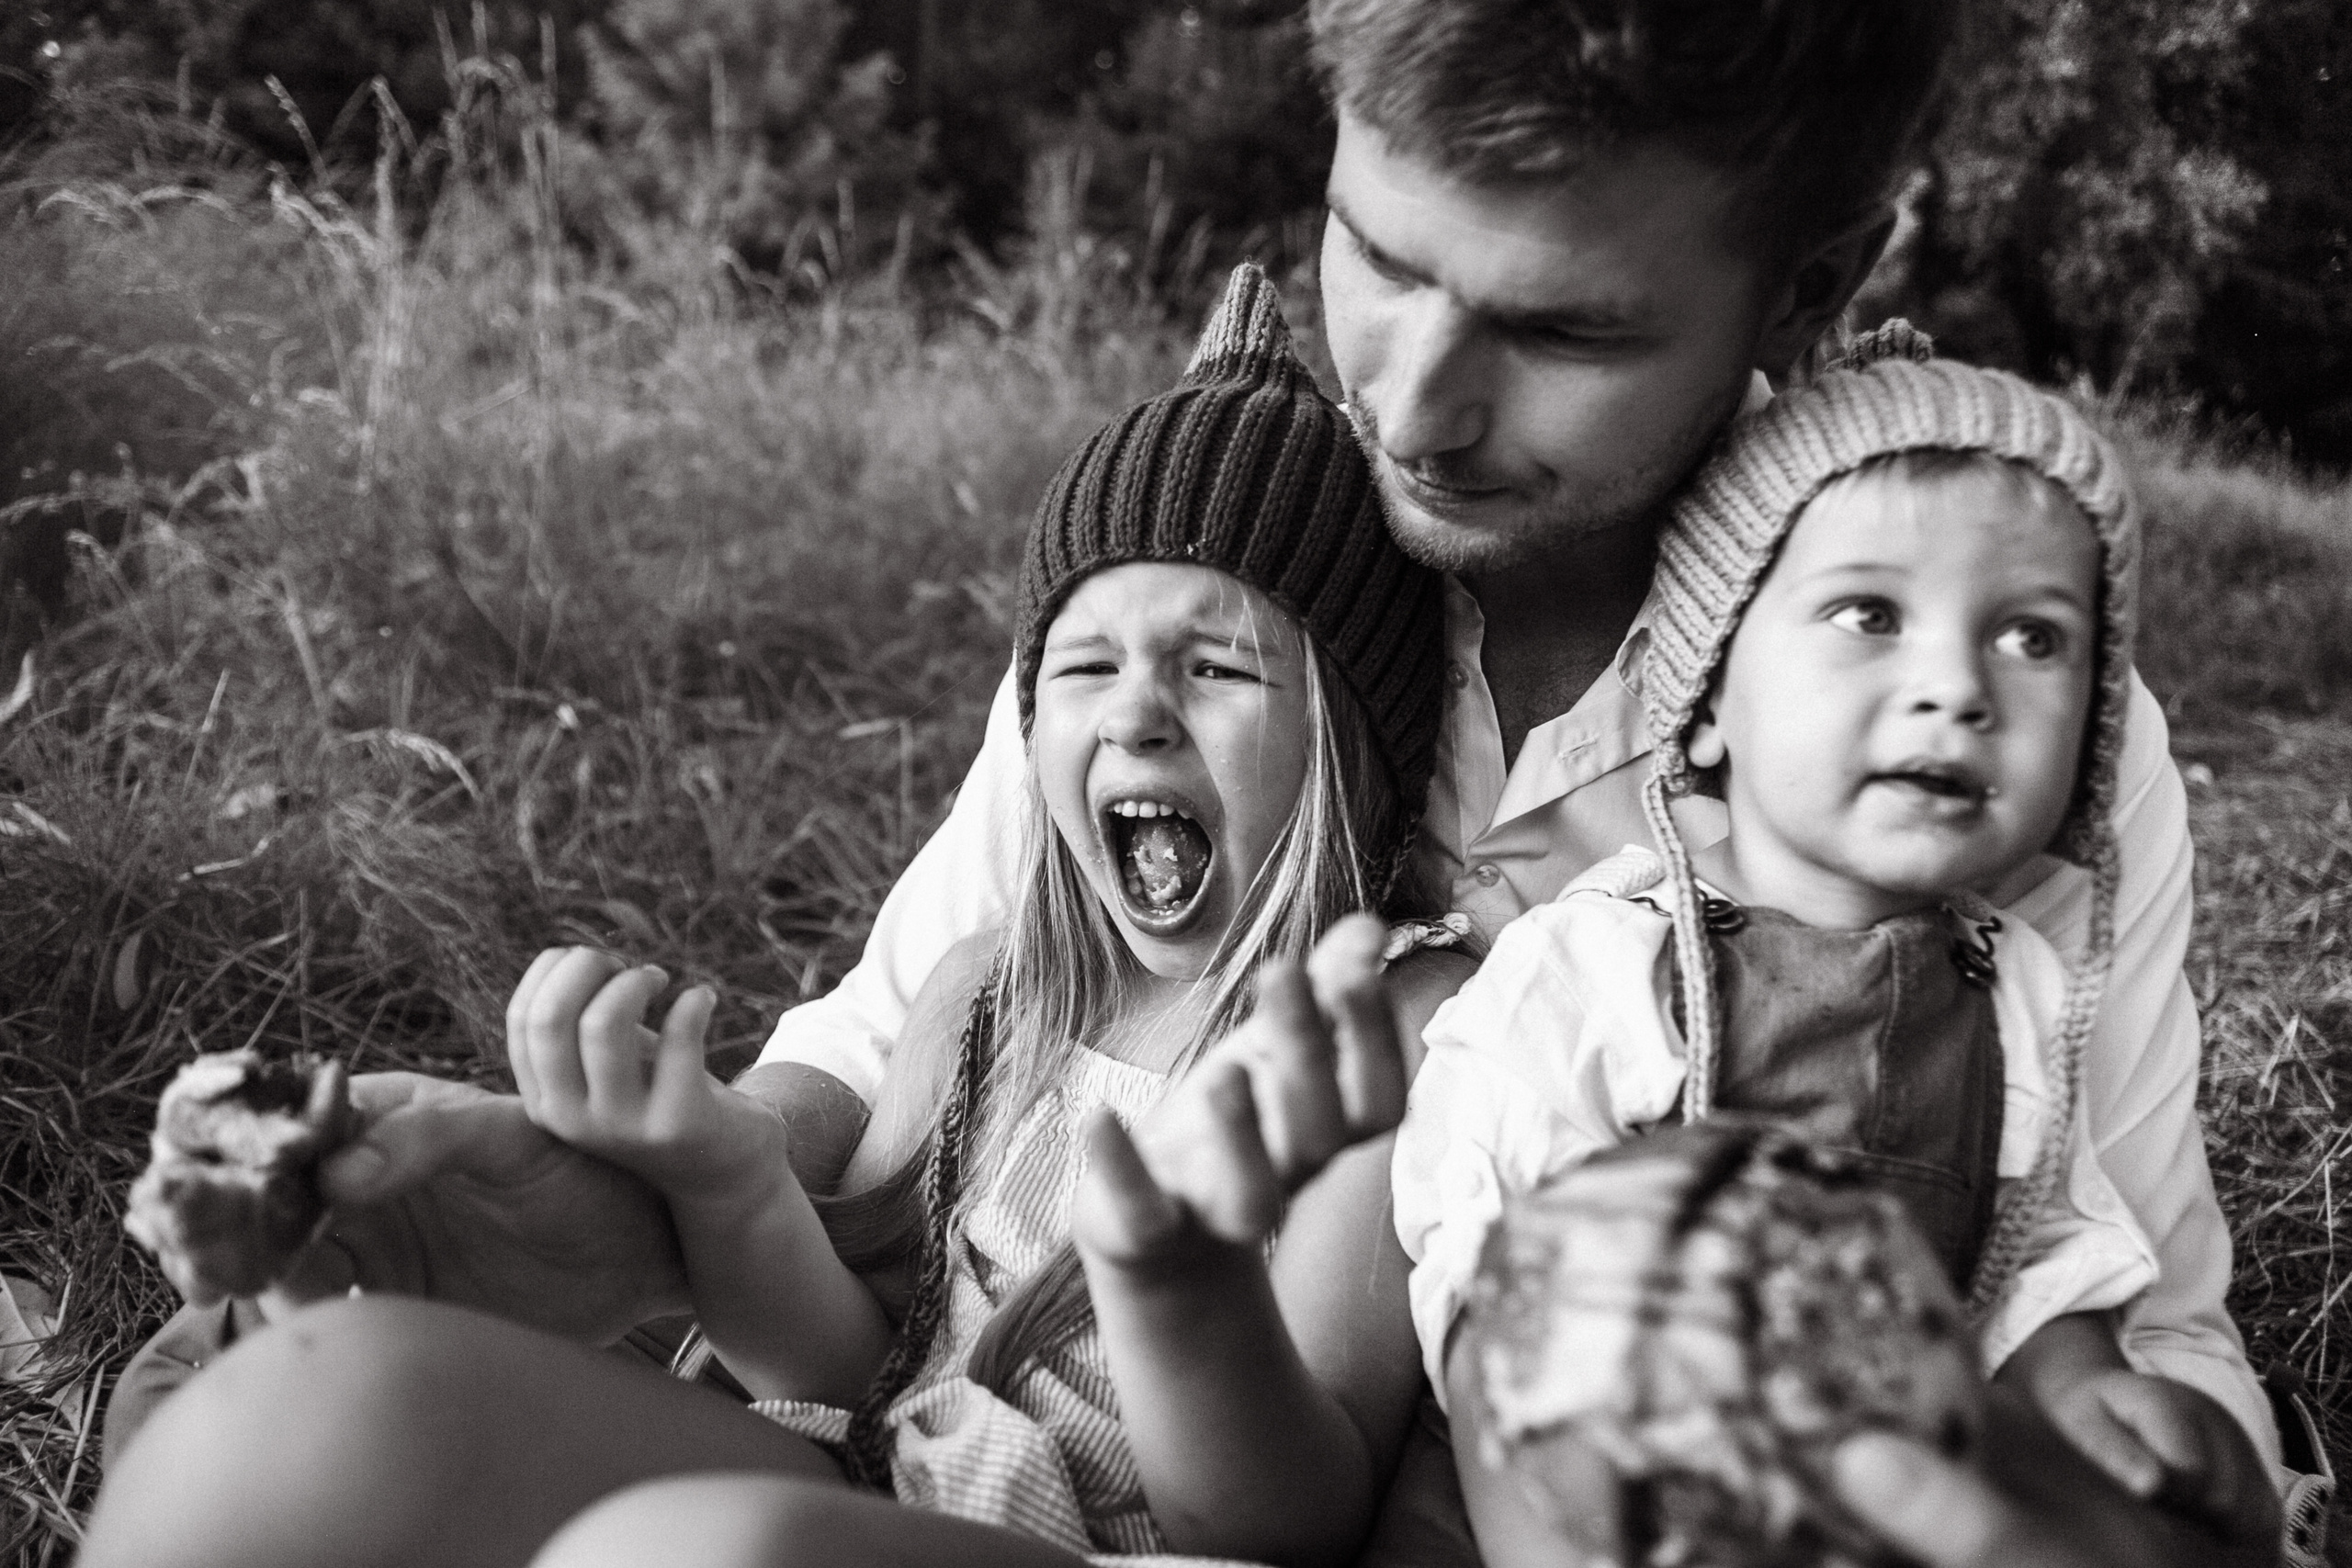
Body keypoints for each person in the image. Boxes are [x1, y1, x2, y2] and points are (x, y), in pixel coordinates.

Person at [99, 0, 2305, 1559]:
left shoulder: (1951, 713)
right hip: (982, 1449)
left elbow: (2134, 1304)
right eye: (1378, 255)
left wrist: (2109, 1466)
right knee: (268, 1433)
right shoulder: (1229, 552)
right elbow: (905, 1032)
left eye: (1560, 329)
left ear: (1804, 288)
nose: (1412, 403)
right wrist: (616, 1202)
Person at [80, 264, 1476, 1568]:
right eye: (1084, 666)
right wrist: (724, 1180)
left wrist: (1176, 1284)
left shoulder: (1373, 1031)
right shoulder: (991, 995)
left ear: (1348, 744)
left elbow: (1287, 1530)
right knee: (277, 1418)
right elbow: (860, 1374)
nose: (1136, 715)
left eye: (1218, 668)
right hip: (875, 1489)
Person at [1390, 332, 2284, 1566]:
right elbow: (1482, 1282)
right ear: (1709, 698)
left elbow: (2037, 1258)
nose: (1957, 688)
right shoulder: (1600, 965)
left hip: (1872, 1500)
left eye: (2032, 639)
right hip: (1565, 1497)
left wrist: (2085, 1390)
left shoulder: (2014, 991)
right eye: (1871, 615)